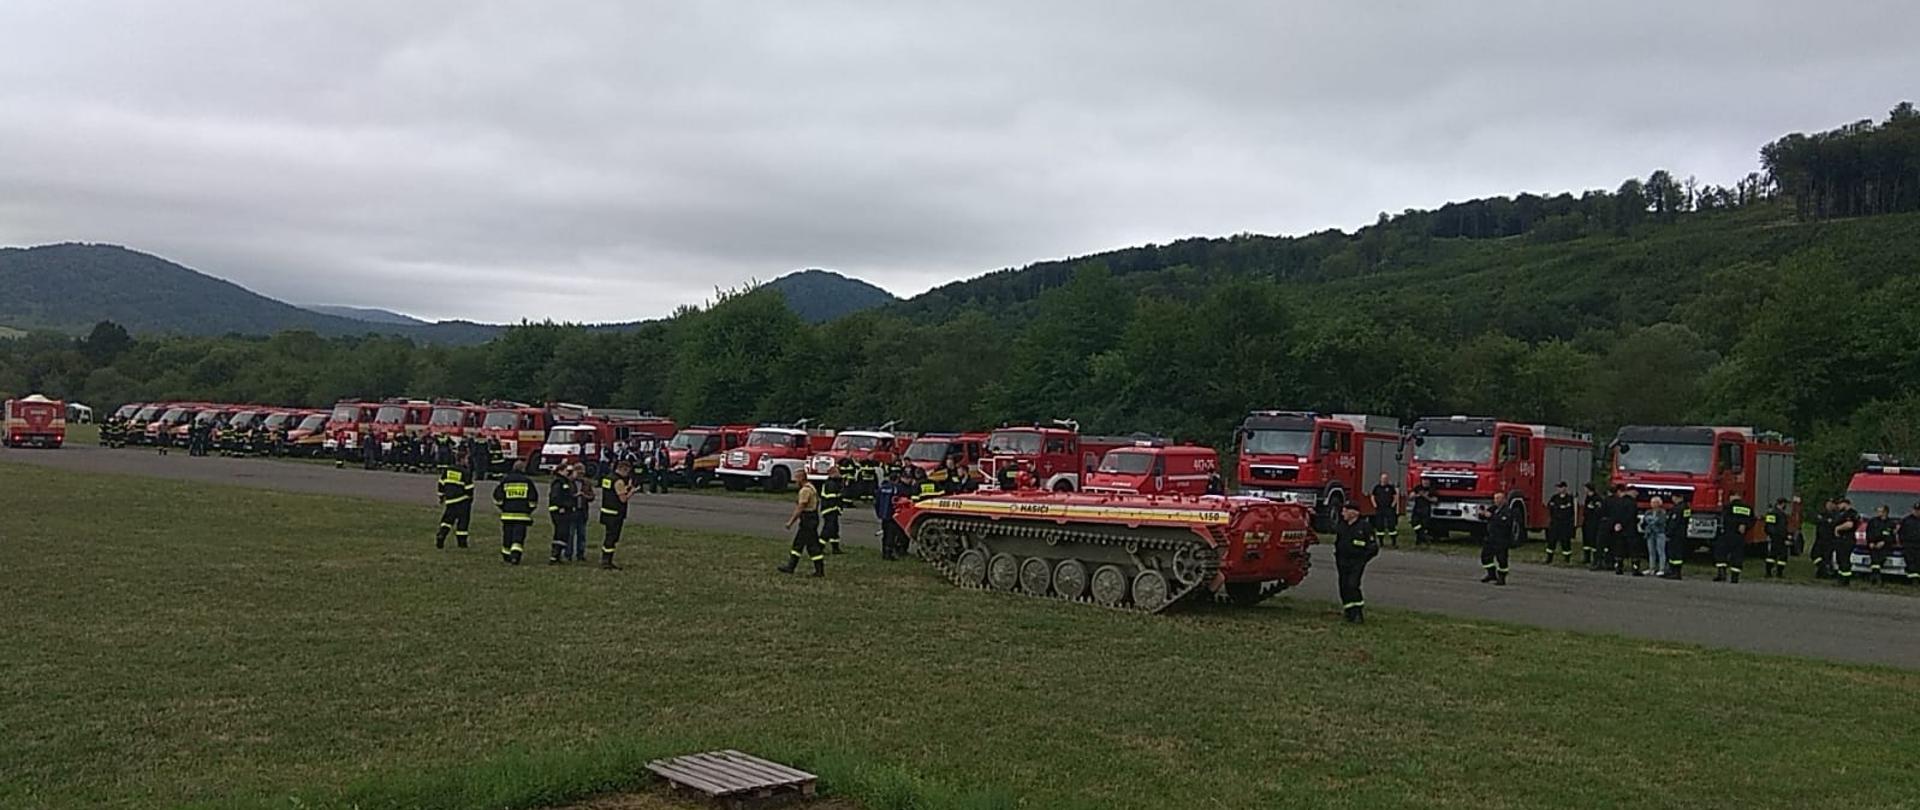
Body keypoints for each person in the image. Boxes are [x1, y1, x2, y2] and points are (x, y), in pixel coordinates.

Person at [1333, 502, 1377, 623]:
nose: (1343, 513)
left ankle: (1357, 612)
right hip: (1342, 561)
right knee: (1343, 587)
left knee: (1352, 585)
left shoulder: (1365, 527)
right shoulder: (1342, 526)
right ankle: (1348, 611)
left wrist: (1362, 559)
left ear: (1354, 513)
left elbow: (1373, 548)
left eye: (1345, 511)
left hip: (1356, 562)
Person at [491, 460, 539, 565]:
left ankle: (506, 555)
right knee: (518, 537)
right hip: (522, 516)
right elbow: (533, 499)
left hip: (507, 515)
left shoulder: (505, 480)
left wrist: (503, 507)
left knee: (507, 536)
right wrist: (529, 510)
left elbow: (497, 496)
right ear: (523, 469)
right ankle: (515, 557)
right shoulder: (527, 482)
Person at [779, 471, 825, 577]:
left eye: (796, 478)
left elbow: (801, 507)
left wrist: (791, 522)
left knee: (809, 545)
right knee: (801, 544)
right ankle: (792, 566)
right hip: (812, 519)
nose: (795, 481)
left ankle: (818, 570)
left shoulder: (805, 490)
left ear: (801, 478)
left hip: (808, 520)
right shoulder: (811, 487)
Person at [598, 459, 636, 569]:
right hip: (615, 513)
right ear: (624, 469)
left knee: (608, 536)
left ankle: (605, 558)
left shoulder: (608, 478)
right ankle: (607, 560)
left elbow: (611, 492)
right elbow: (623, 499)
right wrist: (631, 492)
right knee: (612, 538)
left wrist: (626, 488)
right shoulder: (618, 481)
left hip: (606, 511)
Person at [434, 449, 476, 549]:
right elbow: (469, 488)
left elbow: (441, 483)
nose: (467, 461)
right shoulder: (465, 472)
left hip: (450, 500)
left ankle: (441, 534)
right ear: (462, 460)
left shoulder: (448, 470)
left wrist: (441, 496)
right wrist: (470, 498)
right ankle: (462, 542)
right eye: (466, 459)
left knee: (447, 520)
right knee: (463, 522)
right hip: (462, 501)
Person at [1713, 493, 1756, 583]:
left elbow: (1724, 519)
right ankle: (1735, 577)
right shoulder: (1747, 508)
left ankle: (1722, 574)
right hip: (1740, 536)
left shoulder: (1728, 507)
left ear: (1731, 497)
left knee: (1721, 553)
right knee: (1737, 555)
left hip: (1727, 534)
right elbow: (1753, 520)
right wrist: (1746, 526)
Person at [547, 463, 580, 564]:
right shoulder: (559, 482)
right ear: (560, 471)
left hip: (564, 510)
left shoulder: (564, 481)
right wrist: (562, 506)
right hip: (559, 511)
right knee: (561, 532)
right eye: (566, 470)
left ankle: (557, 556)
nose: (568, 472)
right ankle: (554, 556)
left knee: (563, 533)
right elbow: (556, 497)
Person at [1480, 491, 1514, 585]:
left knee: (1502, 559)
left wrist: (1492, 516)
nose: (1496, 500)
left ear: (1504, 500)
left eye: (1499, 498)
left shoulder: (1507, 511)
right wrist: (1482, 513)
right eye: (1495, 498)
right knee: (1485, 556)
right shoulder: (1493, 508)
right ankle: (1491, 574)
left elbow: (1504, 522)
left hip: (1502, 538)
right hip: (1491, 537)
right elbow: (1485, 516)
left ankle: (1502, 578)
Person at [1604, 485, 1640, 575]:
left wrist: (1617, 524)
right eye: (1635, 493)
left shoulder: (1618, 501)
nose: (1636, 495)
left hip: (1619, 529)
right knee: (1633, 549)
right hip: (1630, 529)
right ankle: (1635, 568)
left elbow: (1614, 514)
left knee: (1619, 549)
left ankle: (1618, 567)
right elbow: (1631, 515)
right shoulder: (1632, 503)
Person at [875, 468, 907, 560]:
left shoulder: (882, 488)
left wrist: (879, 513)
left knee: (885, 534)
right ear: (897, 479)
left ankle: (884, 552)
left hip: (883, 515)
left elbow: (877, 502)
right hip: (892, 515)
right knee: (891, 535)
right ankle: (889, 554)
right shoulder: (896, 489)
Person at [1545, 481, 1576, 564]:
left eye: (1560, 487)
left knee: (1565, 541)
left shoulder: (1569, 498)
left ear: (1565, 488)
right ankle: (1549, 558)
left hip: (1565, 524)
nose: (1559, 489)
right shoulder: (1554, 497)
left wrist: (1560, 508)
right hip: (1555, 523)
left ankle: (1567, 559)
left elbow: (1569, 511)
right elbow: (1550, 506)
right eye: (1558, 487)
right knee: (1551, 541)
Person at [1865, 505, 1897, 584]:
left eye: (1880, 511)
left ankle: (1875, 576)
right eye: (1877, 511)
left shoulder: (1891, 523)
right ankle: (1876, 575)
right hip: (1873, 544)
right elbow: (1868, 533)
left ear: (1885, 512)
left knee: (1879, 558)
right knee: (1874, 558)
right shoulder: (1872, 521)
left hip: (1885, 546)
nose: (1878, 513)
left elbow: (1892, 537)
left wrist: (1884, 542)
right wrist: (1870, 542)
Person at [819, 464, 847, 555]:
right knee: (828, 529)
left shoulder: (835, 483)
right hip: (829, 510)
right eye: (837, 472)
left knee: (835, 529)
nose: (839, 474)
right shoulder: (831, 484)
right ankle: (819, 547)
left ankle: (835, 548)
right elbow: (833, 498)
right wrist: (837, 508)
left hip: (833, 510)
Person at [1832, 498, 1860, 586]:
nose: (1838, 506)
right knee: (1840, 559)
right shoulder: (1841, 513)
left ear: (1845, 503)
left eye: (1840, 504)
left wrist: (1838, 528)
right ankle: (1840, 578)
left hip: (1847, 539)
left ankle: (1845, 580)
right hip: (1840, 540)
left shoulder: (1851, 513)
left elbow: (1849, 525)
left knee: (1845, 559)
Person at [1763, 497, 1793, 578]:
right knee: (1772, 556)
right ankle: (1768, 572)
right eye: (1785, 504)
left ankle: (1779, 572)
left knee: (1783, 556)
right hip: (1776, 538)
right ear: (1782, 504)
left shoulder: (1782, 514)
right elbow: (1769, 526)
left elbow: (1784, 527)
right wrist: (1774, 536)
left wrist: (1787, 536)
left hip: (1782, 538)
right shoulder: (1772, 513)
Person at [1640, 496, 1669, 577]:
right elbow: (1644, 522)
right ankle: (1651, 568)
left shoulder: (1662, 512)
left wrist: (1651, 522)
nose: (1652, 504)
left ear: (1659, 503)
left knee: (1661, 551)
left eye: (1655, 502)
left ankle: (1661, 569)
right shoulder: (1648, 512)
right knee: (1651, 552)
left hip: (1660, 533)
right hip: (1650, 534)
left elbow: (1661, 521)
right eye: (1652, 502)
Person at [1370, 473, 1400, 549]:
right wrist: (1375, 505)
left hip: (1389, 509)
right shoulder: (1377, 487)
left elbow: (1395, 496)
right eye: (1383, 478)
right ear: (1380, 479)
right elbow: (1372, 496)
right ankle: (1381, 542)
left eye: (1386, 478)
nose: (1384, 480)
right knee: (1379, 526)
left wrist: (1393, 504)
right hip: (1379, 509)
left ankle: (1394, 542)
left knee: (1391, 525)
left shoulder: (1390, 488)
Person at [1580, 484, 1605, 567]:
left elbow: (1598, 511)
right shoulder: (1588, 498)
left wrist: (1592, 509)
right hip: (1587, 522)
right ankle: (1586, 557)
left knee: (1593, 541)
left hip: (1594, 523)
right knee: (1586, 540)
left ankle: (1595, 559)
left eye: (1585, 488)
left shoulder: (1597, 498)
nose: (1585, 490)